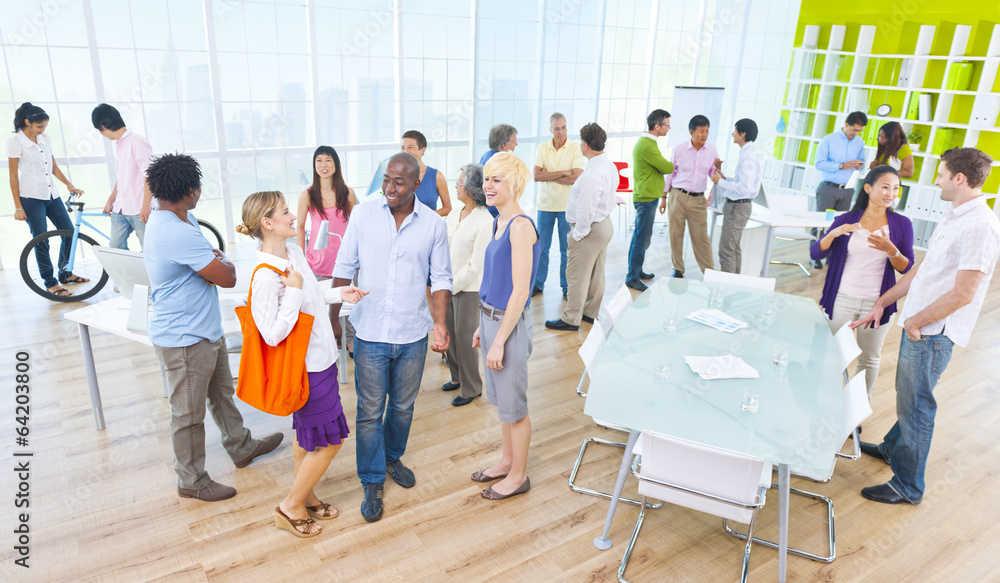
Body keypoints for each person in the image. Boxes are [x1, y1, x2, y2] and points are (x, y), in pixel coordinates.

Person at [851, 148, 1000, 506]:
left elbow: (965, 292)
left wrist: (917, 321)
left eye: (942, 173)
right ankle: (892, 447)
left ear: (959, 179)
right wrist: (887, 300)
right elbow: (926, 269)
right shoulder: (956, 215)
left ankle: (907, 486)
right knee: (908, 397)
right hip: (919, 324)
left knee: (917, 405)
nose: (936, 179)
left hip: (931, 332)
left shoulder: (980, 225)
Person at [143, 153, 282, 502]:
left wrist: (214, 259)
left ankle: (241, 446)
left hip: (202, 330)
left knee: (221, 394)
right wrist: (221, 260)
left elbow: (212, 265)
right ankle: (191, 479)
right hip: (185, 339)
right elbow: (227, 275)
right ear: (190, 190)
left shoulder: (174, 219)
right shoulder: (177, 231)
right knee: (188, 414)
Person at [237, 191, 367, 538]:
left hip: (322, 359)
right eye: (285, 213)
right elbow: (272, 335)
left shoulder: (293, 253)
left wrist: (340, 293)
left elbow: (309, 294)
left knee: (308, 438)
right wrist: (292, 291)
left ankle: (306, 495)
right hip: (305, 368)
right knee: (330, 442)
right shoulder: (264, 275)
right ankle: (290, 506)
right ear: (268, 224)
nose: (294, 218)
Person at [331, 152, 452, 522]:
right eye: (386, 180)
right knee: (369, 412)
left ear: (418, 184)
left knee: (402, 407)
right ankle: (371, 479)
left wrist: (441, 323)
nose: (389, 188)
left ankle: (391, 456)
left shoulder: (433, 224)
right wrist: (333, 318)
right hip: (368, 331)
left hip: (413, 332)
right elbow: (343, 265)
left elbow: (442, 278)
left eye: (399, 182)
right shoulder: (364, 213)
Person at [810, 166, 915, 400]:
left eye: (896, 188)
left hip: (877, 304)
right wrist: (832, 234)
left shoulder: (902, 224)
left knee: (869, 358)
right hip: (842, 300)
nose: (891, 193)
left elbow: (906, 267)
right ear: (868, 188)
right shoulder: (845, 220)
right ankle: (826, 405)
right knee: (833, 355)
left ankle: (855, 413)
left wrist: (892, 251)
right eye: (885, 187)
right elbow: (816, 253)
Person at [472, 152, 540, 501]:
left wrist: (498, 340)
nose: (488, 186)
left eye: (496, 180)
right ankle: (506, 460)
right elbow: (495, 279)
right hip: (491, 320)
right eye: (487, 179)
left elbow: (519, 291)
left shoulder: (521, 226)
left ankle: (518, 476)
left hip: (508, 325)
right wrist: (483, 329)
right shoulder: (498, 222)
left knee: (515, 406)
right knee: (502, 403)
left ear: (514, 184)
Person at [8, 102, 88, 298]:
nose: (42, 130)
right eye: (39, 127)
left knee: (69, 233)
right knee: (41, 241)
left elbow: (53, 167)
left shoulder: (45, 138)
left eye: (44, 127)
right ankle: (50, 283)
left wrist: (69, 184)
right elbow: (12, 177)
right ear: (27, 122)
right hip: (31, 198)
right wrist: (18, 207)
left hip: (52, 195)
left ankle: (65, 273)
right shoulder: (15, 142)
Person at [545, 122, 618, 331]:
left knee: (576, 275)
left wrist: (577, 235)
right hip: (604, 225)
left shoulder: (592, 175)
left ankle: (571, 319)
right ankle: (590, 312)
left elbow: (586, 209)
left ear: (585, 145)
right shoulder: (608, 166)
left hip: (590, 229)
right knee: (597, 273)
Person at [442, 163, 493, 407]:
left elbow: (475, 265)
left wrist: (452, 286)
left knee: (464, 338)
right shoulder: (455, 213)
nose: (456, 185)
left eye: (460, 182)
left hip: (468, 289)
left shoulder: (485, 221)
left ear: (472, 189)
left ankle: (472, 387)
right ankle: (456, 377)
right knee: (449, 334)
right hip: (448, 284)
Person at [531, 113, 585, 299]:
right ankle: (538, 284)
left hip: (567, 208)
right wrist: (563, 173)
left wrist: (550, 174)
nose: (561, 132)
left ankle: (566, 286)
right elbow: (537, 176)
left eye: (563, 127)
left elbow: (577, 177)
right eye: (557, 128)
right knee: (541, 249)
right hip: (545, 206)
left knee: (566, 250)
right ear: (550, 129)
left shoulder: (575, 148)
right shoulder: (542, 148)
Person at [661, 115, 720, 278]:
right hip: (678, 196)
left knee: (701, 236)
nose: (704, 135)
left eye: (707, 131)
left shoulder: (712, 150)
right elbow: (670, 173)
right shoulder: (679, 149)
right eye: (701, 131)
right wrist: (664, 197)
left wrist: (718, 171)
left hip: (698, 199)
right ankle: (678, 268)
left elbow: (712, 174)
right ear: (691, 132)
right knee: (676, 233)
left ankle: (709, 271)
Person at [93, 103, 154, 250]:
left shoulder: (137, 142)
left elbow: (151, 176)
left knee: (150, 251)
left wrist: (146, 206)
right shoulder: (119, 144)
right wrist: (111, 200)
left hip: (140, 208)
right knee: (115, 249)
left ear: (103, 127)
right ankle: (128, 274)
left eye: (99, 130)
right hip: (120, 208)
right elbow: (123, 178)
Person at [626, 109, 674, 292]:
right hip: (646, 198)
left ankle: (636, 271)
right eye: (667, 125)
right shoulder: (647, 145)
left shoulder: (648, 143)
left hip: (647, 196)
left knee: (639, 236)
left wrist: (661, 168)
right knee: (642, 239)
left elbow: (661, 167)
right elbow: (667, 167)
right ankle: (632, 277)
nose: (669, 128)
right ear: (657, 126)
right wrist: (664, 167)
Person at [813, 111, 868, 268]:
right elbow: (819, 164)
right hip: (828, 188)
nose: (856, 133)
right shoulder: (828, 140)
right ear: (846, 125)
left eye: (859, 131)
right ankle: (816, 256)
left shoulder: (859, 142)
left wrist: (860, 164)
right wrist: (841, 166)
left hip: (848, 190)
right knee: (820, 223)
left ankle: (832, 256)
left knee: (841, 225)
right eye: (854, 129)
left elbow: (861, 160)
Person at [295, 145, 357, 280]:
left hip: (345, 260)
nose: (324, 165)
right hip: (317, 262)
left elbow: (356, 227)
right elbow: (300, 227)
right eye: (319, 160)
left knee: (348, 299)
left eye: (328, 160)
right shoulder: (306, 195)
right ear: (314, 165)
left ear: (336, 164)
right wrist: (301, 259)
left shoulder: (348, 193)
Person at [710, 118, 763, 274]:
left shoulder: (748, 156)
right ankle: (734, 283)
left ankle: (727, 286)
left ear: (743, 133)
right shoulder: (748, 152)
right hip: (738, 206)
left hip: (738, 207)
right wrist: (724, 178)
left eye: (735, 130)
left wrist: (720, 182)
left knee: (726, 250)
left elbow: (744, 187)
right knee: (733, 248)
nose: (732, 134)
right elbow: (743, 182)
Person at [401, 130, 451, 217]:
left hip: (429, 228)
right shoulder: (397, 176)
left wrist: (425, 216)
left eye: (410, 147)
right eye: (403, 147)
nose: (405, 151)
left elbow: (447, 209)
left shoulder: (436, 176)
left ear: (422, 150)